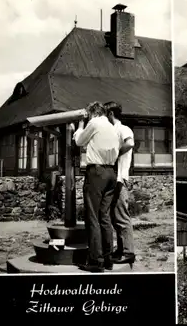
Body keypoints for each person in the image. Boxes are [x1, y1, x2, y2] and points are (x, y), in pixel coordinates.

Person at [71, 101, 120, 273]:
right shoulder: (112, 127)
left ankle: (95, 261)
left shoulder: (94, 122)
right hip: (111, 173)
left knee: (92, 217)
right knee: (104, 217)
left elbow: (79, 141)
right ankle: (107, 259)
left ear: (92, 113)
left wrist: (80, 124)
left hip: (97, 172)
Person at [104, 101, 136, 268]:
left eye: (105, 115)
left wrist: (115, 154)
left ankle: (129, 252)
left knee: (121, 216)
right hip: (113, 178)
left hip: (120, 178)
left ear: (110, 114)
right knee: (115, 217)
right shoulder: (112, 130)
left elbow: (130, 143)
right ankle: (121, 249)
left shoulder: (123, 129)